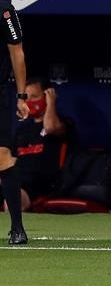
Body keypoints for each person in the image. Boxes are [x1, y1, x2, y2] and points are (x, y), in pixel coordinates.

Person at [13, 78, 72, 211]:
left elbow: (50, 127)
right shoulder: (22, 130)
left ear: (46, 96)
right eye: (26, 97)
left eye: (34, 97)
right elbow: (11, 159)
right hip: (17, 179)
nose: (29, 101)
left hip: (42, 183)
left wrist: (51, 102)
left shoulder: (63, 123)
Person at [0, 1, 30, 245]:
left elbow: (16, 52)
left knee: (2, 156)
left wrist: (21, 96)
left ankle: (17, 228)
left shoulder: (5, 11)